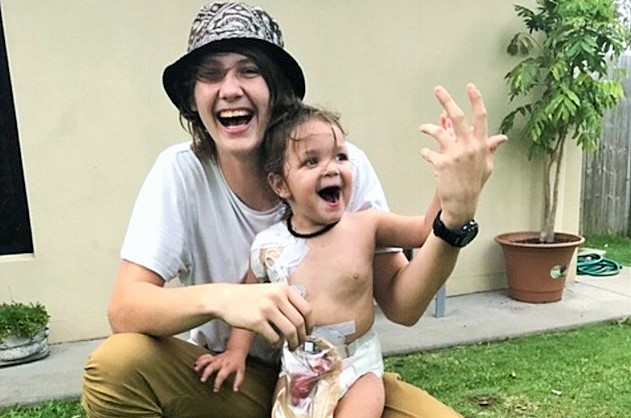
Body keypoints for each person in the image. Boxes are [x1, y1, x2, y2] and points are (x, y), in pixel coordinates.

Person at [81, 2, 507, 418]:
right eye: (210, 74)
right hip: (232, 380)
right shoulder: (181, 173)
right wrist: (227, 299)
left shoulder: (341, 165)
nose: (229, 89)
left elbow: (402, 305)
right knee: (118, 364)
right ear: (193, 99)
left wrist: (453, 218)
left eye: (249, 70)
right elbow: (126, 308)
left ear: (277, 89)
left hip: (343, 371)